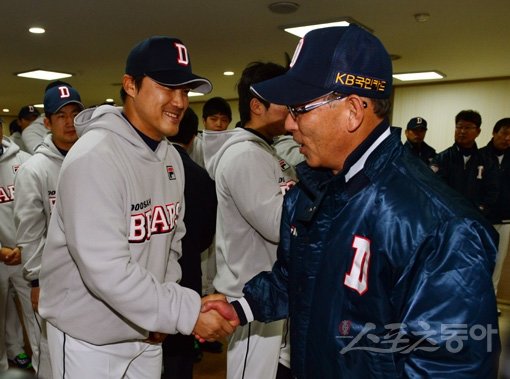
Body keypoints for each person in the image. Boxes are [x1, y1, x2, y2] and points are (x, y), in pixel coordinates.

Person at [202, 25, 501, 378]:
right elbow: (295, 275)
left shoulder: (443, 226)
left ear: (353, 110)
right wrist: (242, 308)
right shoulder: (314, 189)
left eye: (300, 109)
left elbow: (449, 363)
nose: (288, 123)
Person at [37, 36, 236, 379]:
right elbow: (107, 271)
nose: (179, 102)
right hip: (90, 339)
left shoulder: (170, 156)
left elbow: (171, 244)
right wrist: (183, 312)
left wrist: (162, 313)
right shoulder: (94, 157)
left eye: (185, 91)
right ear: (130, 85)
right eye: (166, 87)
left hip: (145, 334)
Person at [202, 61, 297, 379]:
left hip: (270, 289)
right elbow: (276, 225)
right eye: (285, 98)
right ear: (258, 105)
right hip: (251, 293)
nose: (293, 107)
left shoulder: (264, 150)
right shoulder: (245, 156)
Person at [13, 83, 84, 377]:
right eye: (60, 116)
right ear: (47, 123)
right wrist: (35, 281)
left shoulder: (92, 158)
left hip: (93, 274)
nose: (69, 122)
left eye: (75, 114)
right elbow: (29, 232)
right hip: (53, 278)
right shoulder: (35, 169)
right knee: (51, 350)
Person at [162, 108, 217, 379]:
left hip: (150, 274)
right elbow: (208, 232)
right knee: (180, 351)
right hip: (189, 271)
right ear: (194, 137)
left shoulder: (151, 169)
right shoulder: (202, 176)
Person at [0, 118, 31, 373]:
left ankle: (42, 365)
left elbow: (37, 210)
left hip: (24, 254)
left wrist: (24, 246)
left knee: (35, 314)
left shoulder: (25, 161)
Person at [431, 110, 499, 221]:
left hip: (476, 219)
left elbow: (492, 190)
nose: (462, 131)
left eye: (468, 128)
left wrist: (480, 209)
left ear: (478, 131)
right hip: (447, 219)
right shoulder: (441, 159)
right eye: (459, 127)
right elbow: (434, 188)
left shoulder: (487, 161)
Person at [479, 118, 510, 298]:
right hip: (483, 218)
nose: (507, 138)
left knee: (498, 262)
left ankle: (492, 300)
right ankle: (476, 301)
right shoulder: (480, 155)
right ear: (494, 132)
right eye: (504, 133)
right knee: (480, 259)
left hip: (506, 219)